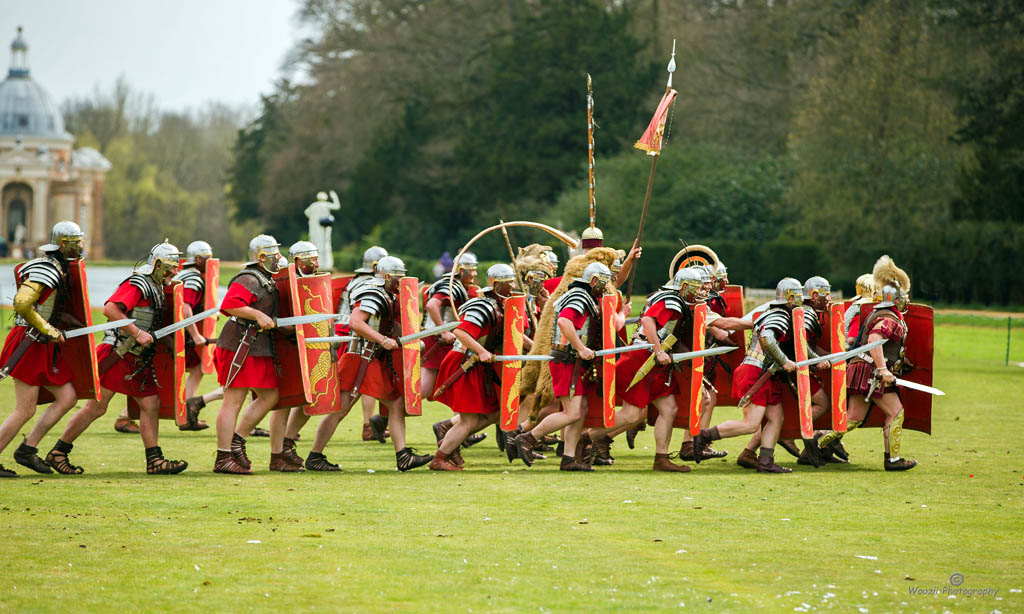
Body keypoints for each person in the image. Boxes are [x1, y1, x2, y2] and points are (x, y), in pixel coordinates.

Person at [47, 241, 189, 475]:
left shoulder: (158, 287)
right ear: (159, 264)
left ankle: (154, 460)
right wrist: (138, 333)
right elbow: (111, 309)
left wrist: (172, 345)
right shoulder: (138, 283)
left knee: (151, 403)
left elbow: (152, 324)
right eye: (172, 267)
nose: (175, 272)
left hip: (138, 358)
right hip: (118, 353)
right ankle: (59, 451)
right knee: (97, 407)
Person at [311, 256, 431, 472]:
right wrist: (383, 340)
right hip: (361, 358)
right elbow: (355, 322)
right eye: (397, 277)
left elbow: (391, 326)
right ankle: (315, 455)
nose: (401, 281)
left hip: (377, 360)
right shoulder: (374, 292)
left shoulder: (392, 296)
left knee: (394, 404)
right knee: (341, 408)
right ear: (386, 276)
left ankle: (402, 455)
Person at [693, 278, 822, 473]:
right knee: (751, 424)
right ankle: (704, 436)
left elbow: (799, 345)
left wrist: (817, 359)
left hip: (767, 374)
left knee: (776, 417)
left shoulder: (786, 314)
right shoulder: (777, 314)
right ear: (789, 297)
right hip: (755, 371)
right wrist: (785, 361)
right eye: (797, 296)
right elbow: (767, 339)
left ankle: (765, 461)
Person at [0, 222, 86, 477]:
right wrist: (49, 330)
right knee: (24, 409)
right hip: (29, 342)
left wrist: (65, 322)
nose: (80, 246)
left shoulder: (59, 266)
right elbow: (23, 303)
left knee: (68, 397)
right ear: (62, 244)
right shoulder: (46, 266)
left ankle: (28, 448)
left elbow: (48, 306)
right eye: (76, 242)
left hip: (42, 345)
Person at [514, 263, 617, 472]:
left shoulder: (585, 296)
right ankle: (527, 438)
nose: (607, 287)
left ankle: (569, 458)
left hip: (575, 362)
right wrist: (580, 347)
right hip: (567, 360)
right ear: (594, 280)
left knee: (581, 410)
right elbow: (564, 321)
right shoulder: (579, 296)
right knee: (571, 413)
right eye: (605, 282)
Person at [819, 256, 917, 471]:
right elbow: (874, 340)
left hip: (863, 369)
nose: (906, 301)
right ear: (894, 299)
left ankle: (817, 441)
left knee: (853, 418)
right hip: (872, 372)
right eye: (903, 298)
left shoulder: (881, 312)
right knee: (896, 412)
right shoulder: (889, 317)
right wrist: (882, 368)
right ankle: (892, 459)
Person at [430, 264, 518, 470]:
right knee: (468, 421)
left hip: (477, 367)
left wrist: (534, 348)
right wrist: (481, 351)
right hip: (464, 364)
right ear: (496, 284)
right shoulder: (483, 306)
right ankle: (440, 458)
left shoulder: (501, 306)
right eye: (508, 283)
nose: (513, 286)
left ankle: (450, 442)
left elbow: (511, 333)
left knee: (495, 412)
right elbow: (462, 332)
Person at [212, 235, 286, 474]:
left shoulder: (267, 279)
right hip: (239, 345)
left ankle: (237, 441)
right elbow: (229, 305)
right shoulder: (249, 278)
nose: (279, 258)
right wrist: (256, 315)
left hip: (257, 346)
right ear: (262, 257)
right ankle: (223, 457)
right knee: (233, 400)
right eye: (274, 254)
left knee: (270, 396)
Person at [337, 246, 390, 443]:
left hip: (352, 336)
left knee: (362, 386)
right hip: (355, 339)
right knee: (358, 387)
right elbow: (361, 319)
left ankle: (374, 423)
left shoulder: (355, 280)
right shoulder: (368, 284)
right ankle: (369, 424)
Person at [421, 252, 478, 400]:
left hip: (449, 343)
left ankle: (451, 423)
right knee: (424, 389)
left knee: (459, 388)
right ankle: (389, 415)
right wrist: (444, 331)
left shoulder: (461, 287)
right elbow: (432, 305)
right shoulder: (450, 286)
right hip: (437, 342)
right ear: (461, 271)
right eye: (471, 270)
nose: (475, 273)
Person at [174, 240, 215, 431]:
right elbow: (185, 307)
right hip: (178, 335)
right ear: (198, 258)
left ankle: (185, 413)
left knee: (195, 368)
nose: (210, 260)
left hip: (174, 333)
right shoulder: (194, 277)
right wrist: (196, 335)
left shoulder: (183, 273)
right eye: (207, 257)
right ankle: (186, 413)